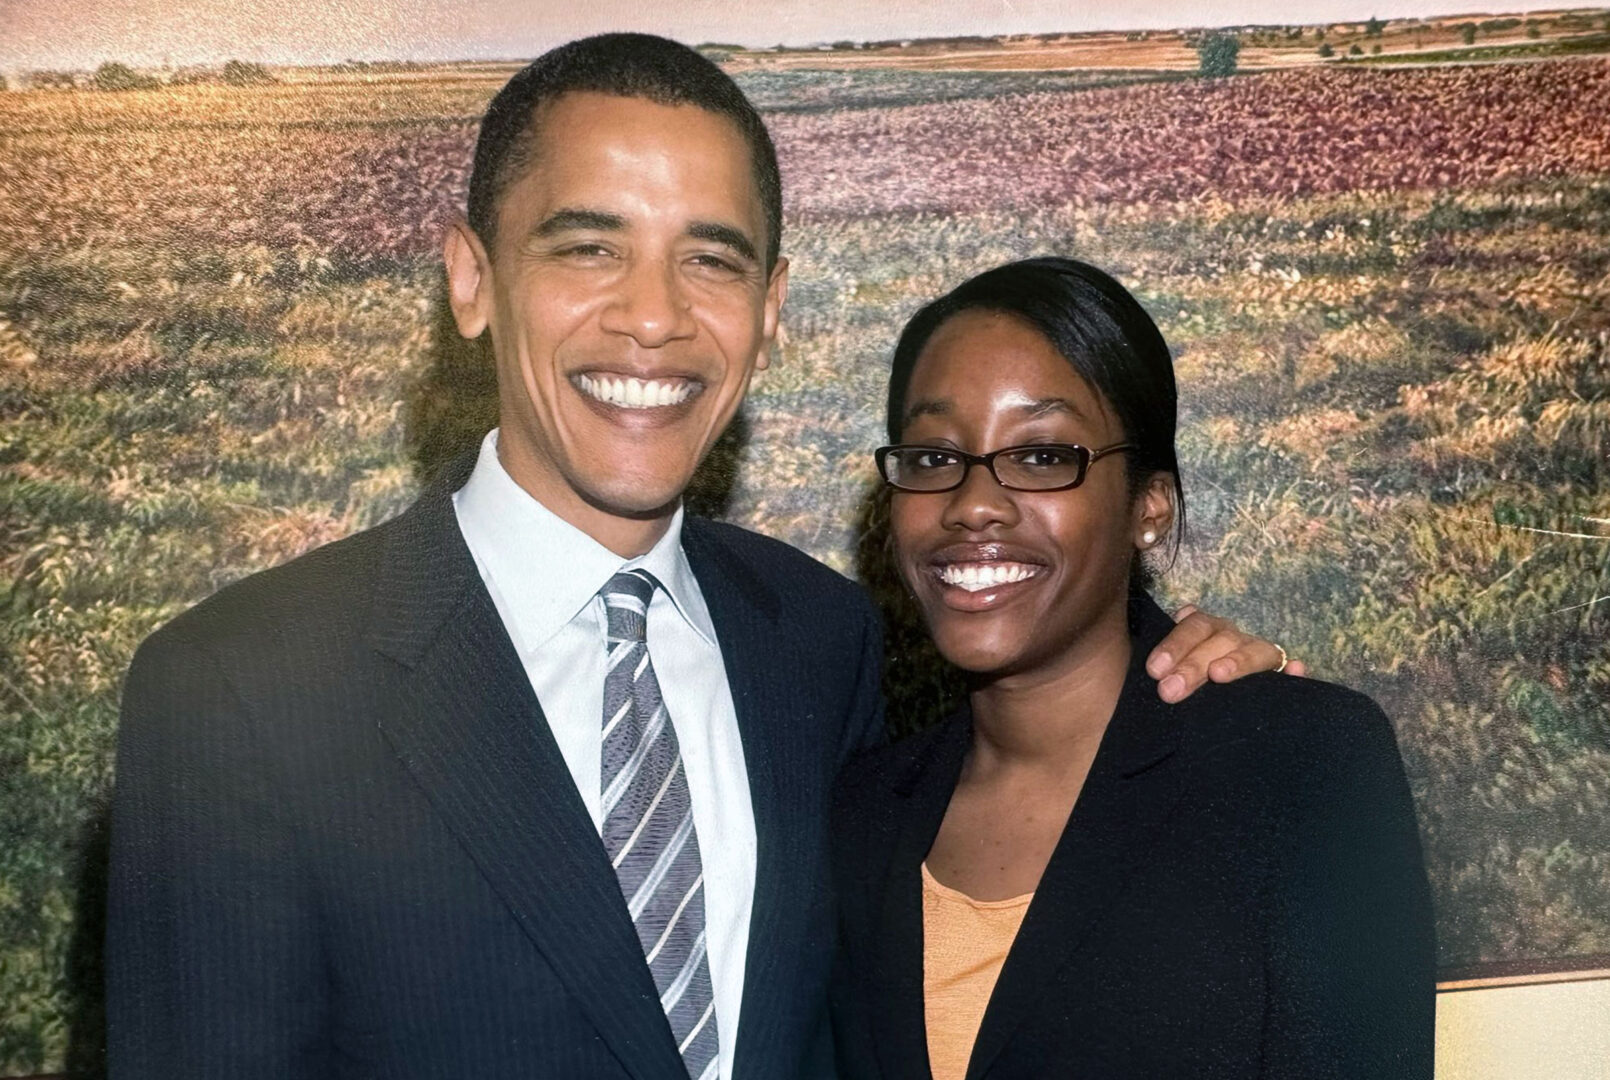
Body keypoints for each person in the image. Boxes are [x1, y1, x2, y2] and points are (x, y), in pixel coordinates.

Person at [106, 37, 1291, 1080]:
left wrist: (1176, 680)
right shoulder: (238, 692)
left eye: (711, 261)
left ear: (769, 309)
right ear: (472, 279)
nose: (656, 317)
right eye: (588, 249)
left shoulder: (820, 639)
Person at [830, 258, 1436, 1080]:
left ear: (1148, 506)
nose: (972, 504)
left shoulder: (1301, 766)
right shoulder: (859, 816)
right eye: (935, 456)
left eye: (1042, 456)